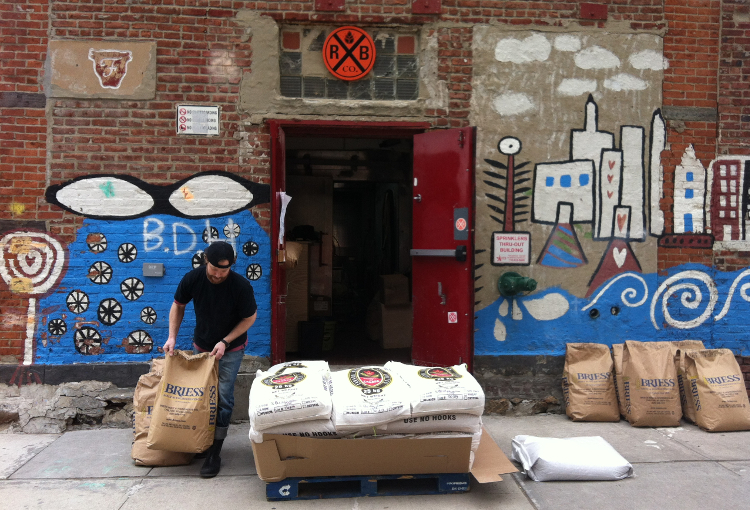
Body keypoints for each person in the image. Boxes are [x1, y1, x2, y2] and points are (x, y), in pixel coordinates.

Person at [163, 241, 257, 478]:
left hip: (231, 348)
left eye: (223, 271)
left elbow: (249, 318)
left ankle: (215, 451)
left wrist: (225, 342)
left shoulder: (240, 286)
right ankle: (202, 442)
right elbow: (178, 305)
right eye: (214, 269)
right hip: (202, 346)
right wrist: (172, 337)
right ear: (207, 262)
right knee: (202, 395)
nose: (217, 274)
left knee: (223, 397)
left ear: (230, 267)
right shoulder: (193, 279)